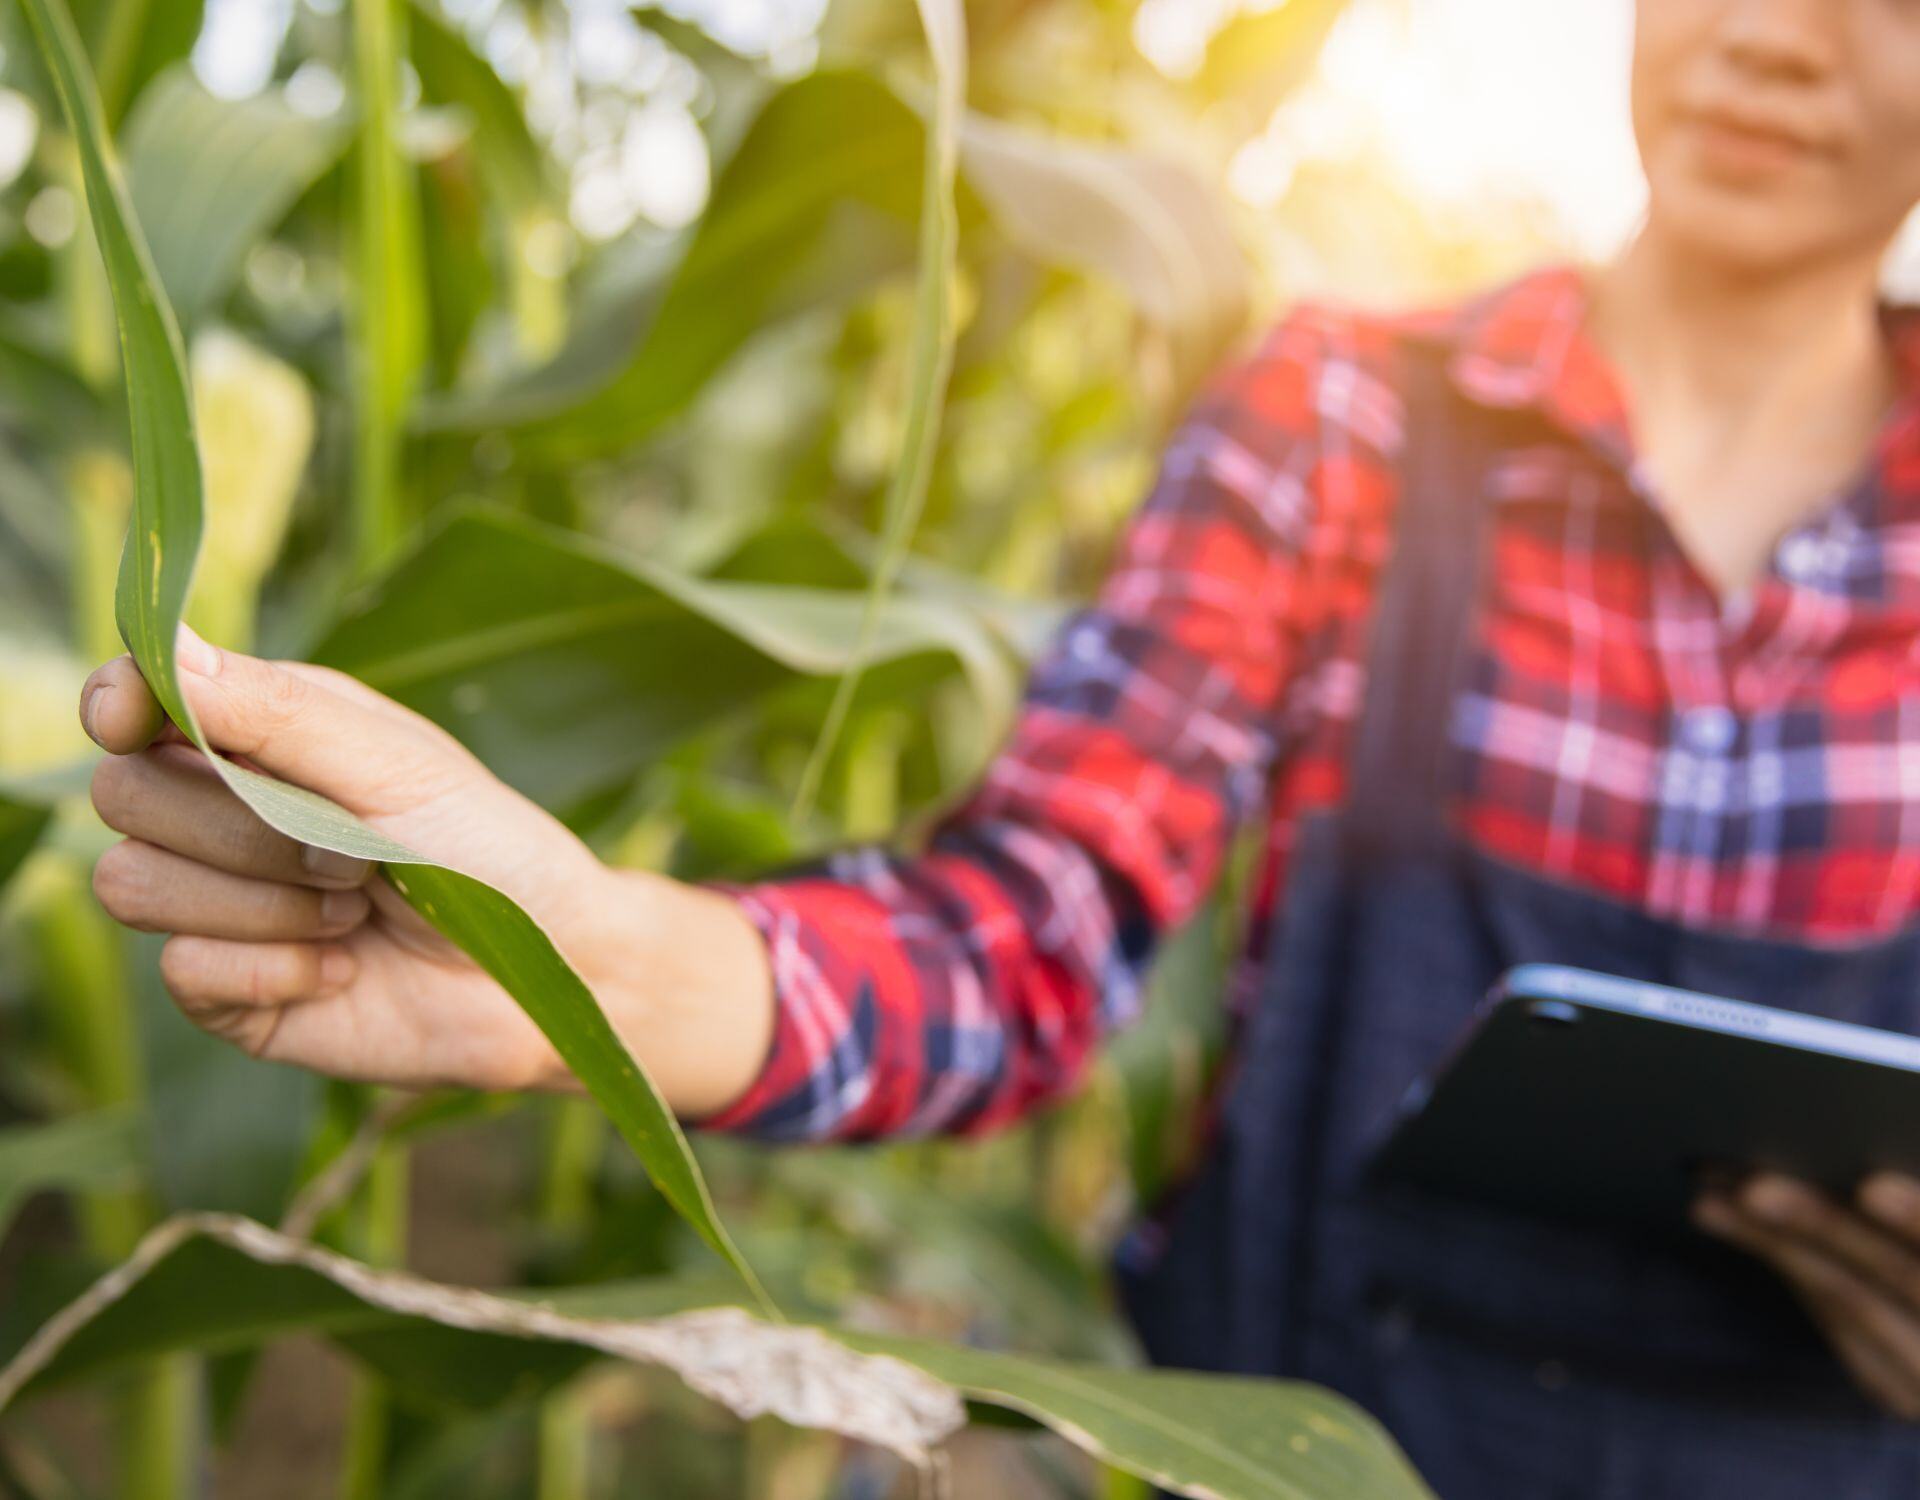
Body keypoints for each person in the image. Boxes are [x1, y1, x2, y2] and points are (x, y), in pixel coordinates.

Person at [74, 0, 1920, 1492]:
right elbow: (1025, 931)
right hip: (1295, 1444)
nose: (1779, 34)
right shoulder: (1343, 416)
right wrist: (581, 965)